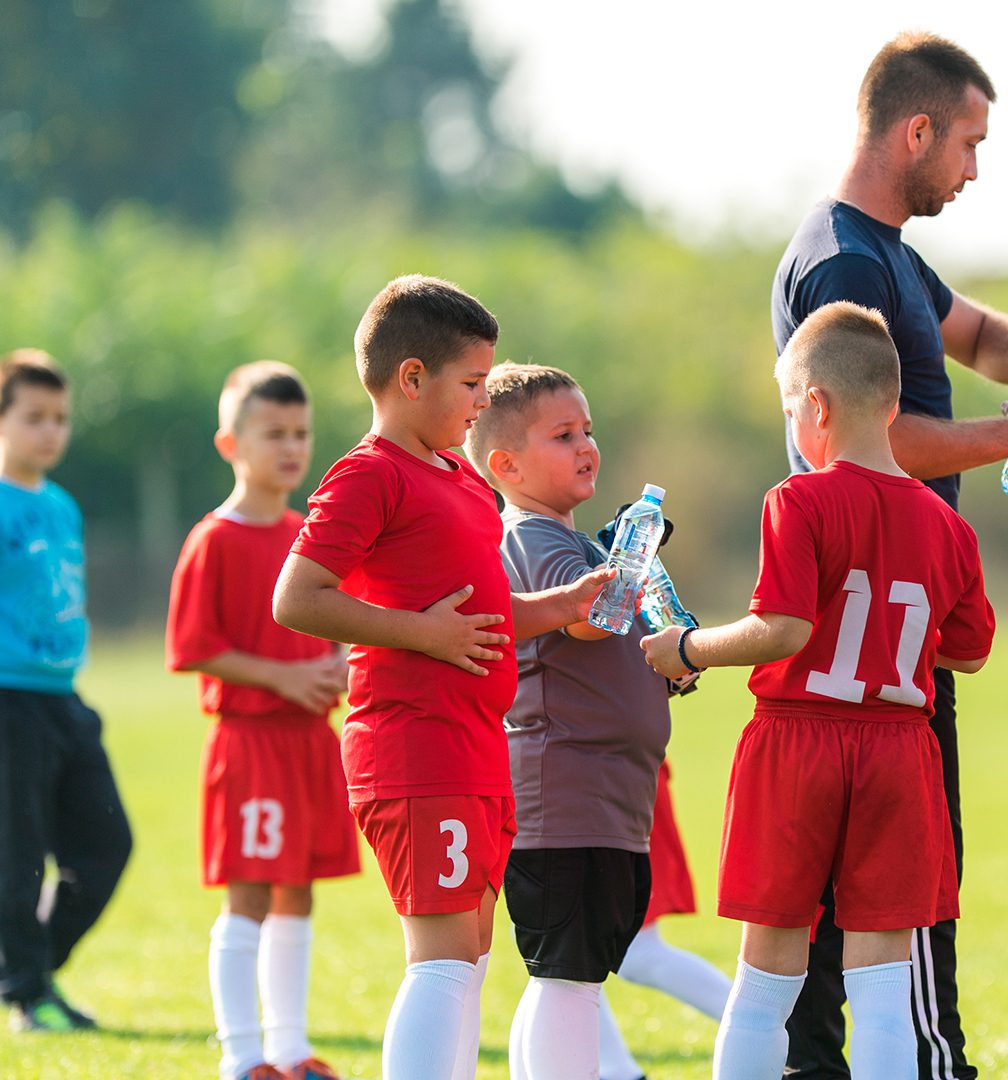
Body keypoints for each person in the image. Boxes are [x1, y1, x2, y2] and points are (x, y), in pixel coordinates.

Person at [770, 32, 1008, 1079]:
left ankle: (828, 1064)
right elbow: (870, 437)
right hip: (874, 616)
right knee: (903, 870)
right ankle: (927, 1065)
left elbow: (980, 332)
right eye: (967, 141)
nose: (974, 167)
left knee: (853, 868)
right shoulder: (847, 258)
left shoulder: (887, 251)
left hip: (881, 608)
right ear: (915, 131)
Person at [641, 301, 995, 1080]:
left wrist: (686, 646)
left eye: (789, 410)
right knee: (881, 987)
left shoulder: (798, 499)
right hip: (902, 753)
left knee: (767, 979)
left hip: (799, 742)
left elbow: (782, 630)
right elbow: (968, 653)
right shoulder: (949, 525)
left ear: (817, 407)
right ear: (895, 403)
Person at [272, 276, 610, 1080]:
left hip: (473, 746)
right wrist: (417, 633)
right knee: (443, 961)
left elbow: (484, 617)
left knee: (469, 957)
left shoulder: (460, 478)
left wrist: (563, 604)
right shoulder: (370, 474)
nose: (479, 402)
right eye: (470, 385)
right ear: (411, 378)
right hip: (414, 745)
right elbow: (296, 598)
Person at [463, 360, 681, 1078]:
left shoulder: (575, 543)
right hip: (567, 795)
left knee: (564, 975)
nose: (586, 444)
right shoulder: (535, 540)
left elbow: (620, 638)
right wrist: (631, 561)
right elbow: (588, 622)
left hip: (600, 795)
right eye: (563, 434)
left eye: (588, 429)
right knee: (571, 978)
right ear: (506, 464)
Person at [166, 361, 359, 1080]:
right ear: (231, 443)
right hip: (250, 745)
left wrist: (339, 660)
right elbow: (192, 650)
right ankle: (241, 1056)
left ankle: (288, 1049)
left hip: (310, 742)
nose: (290, 446)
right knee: (247, 893)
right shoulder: (211, 539)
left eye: (300, 433)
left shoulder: (309, 533)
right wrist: (284, 676)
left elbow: (338, 620)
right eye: (272, 432)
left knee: (297, 894)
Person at [0, 349, 132, 1033]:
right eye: (34, 418)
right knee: (16, 856)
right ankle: (29, 995)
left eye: (61, 419)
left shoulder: (61, 505)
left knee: (108, 846)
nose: (51, 432)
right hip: (8, 700)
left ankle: (29, 973)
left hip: (64, 698)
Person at [597, 760, 734, 1080]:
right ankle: (615, 1069)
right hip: (588, 778)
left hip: (609, 778)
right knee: (550, 952)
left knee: (634, 953)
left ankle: (763, 1023)